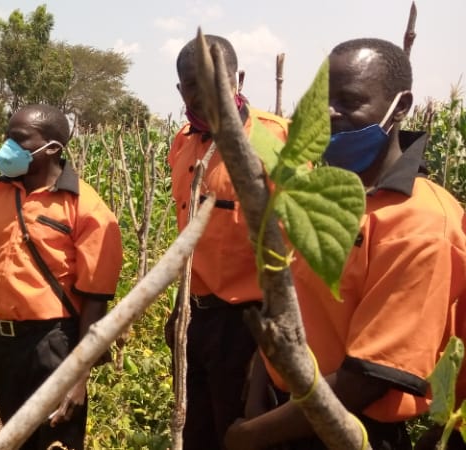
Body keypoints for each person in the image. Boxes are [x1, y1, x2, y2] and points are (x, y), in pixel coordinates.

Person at [225, 38, 466, 450]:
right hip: (288, 413)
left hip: (348, 430)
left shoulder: (421, 222)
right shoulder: (326, 198)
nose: (330, 113)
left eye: (350, 100)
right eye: (323, 100)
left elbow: (368, 378)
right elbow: (291, 304)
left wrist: (250, 436)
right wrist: (260, 387)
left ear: (401, 106)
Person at [0, 104, 122, 450]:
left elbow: (95, 300)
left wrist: (79, 377)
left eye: (19, 139)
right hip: (3, 342)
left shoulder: (86, 207)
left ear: (51, 149)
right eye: (8, 136)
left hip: (53, 343)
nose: (8, 146)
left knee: (56, 441)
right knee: (14, 440)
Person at [163, 35, 289, 450]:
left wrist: (265, 351)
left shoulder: (275, 144)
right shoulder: (183, 142)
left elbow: (297, 260)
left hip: (246, 325)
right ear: (180, 89)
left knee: (238, 436)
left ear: (239, 78)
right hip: (193, 317)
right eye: (191, 84)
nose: (203, 95)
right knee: (197, 429)